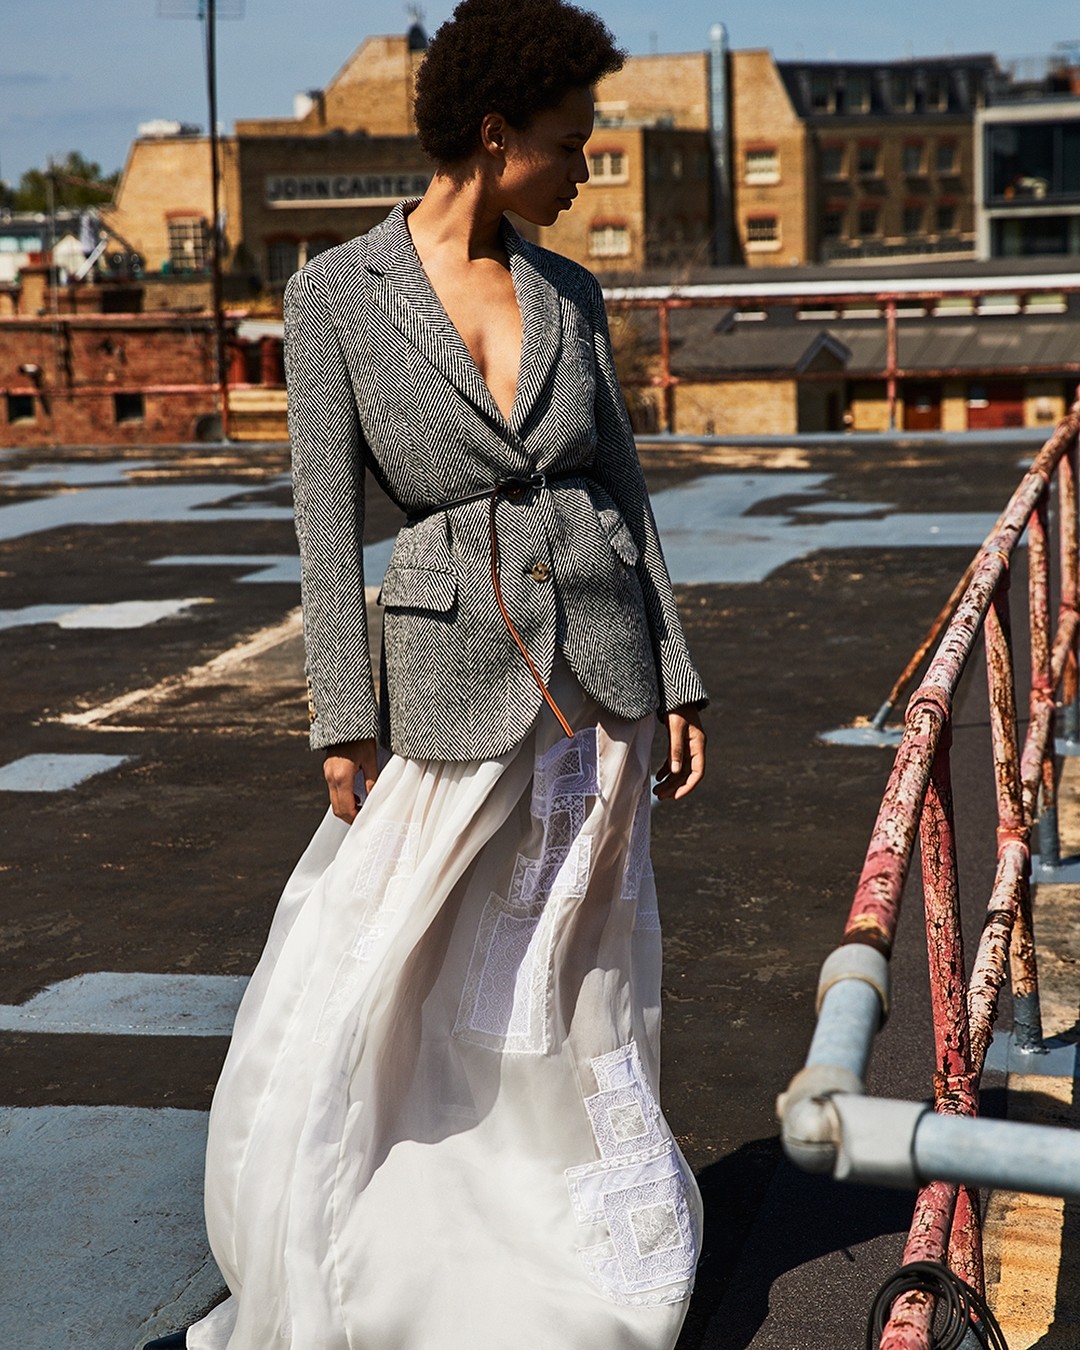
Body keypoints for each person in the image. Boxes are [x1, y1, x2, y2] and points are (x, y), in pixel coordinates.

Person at [149, 2, 707, 1346]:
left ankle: (574, 1224)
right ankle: (397, 1217)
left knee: (571, 964)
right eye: (568, 143)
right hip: (447, 675)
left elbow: (625, 492)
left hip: (602, 676)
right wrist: (341, 716)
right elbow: (324, 523)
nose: (585, 169)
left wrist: (678, 676)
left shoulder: (571, 293)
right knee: (394, 954)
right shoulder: (335, 294)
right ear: (494, 136)